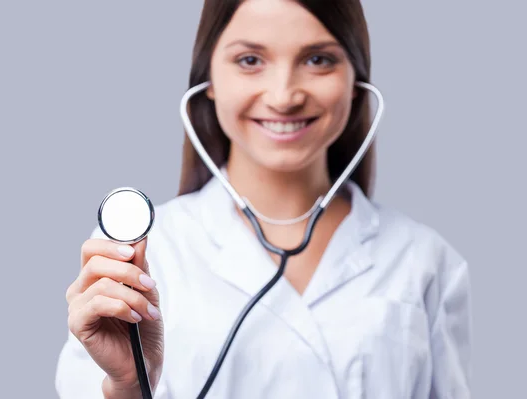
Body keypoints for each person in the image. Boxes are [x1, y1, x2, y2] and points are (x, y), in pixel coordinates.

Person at [55, 0, 472, 398]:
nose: (284, 95)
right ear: (209, 79)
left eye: (318, 59)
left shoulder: (425, 261)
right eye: (250, 60)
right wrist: (128, 388)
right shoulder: (144, 255)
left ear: (356, 81)